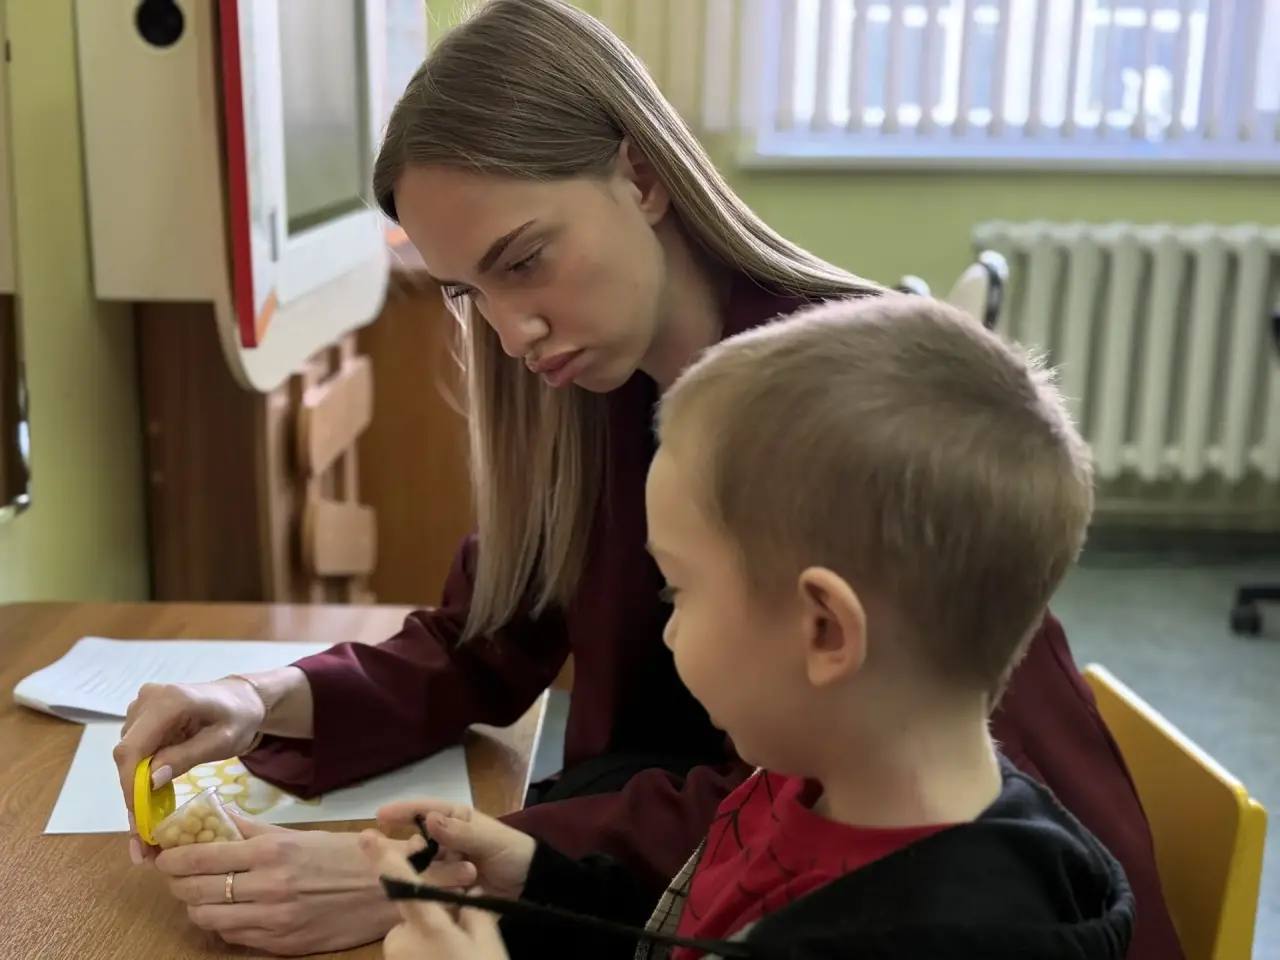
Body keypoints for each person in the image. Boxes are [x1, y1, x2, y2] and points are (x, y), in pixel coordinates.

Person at [112, 1, 1180, 957]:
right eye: (466, 291)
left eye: (522, 261)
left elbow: (840, 797)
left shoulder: (825, 411)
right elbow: (489, 633)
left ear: (641, 174)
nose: (510, 331)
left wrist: (430, 879)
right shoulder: (593, 379)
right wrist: (257, 698)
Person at [358, 296, 1135, 960]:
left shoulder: (936, 934)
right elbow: (703, 924)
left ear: (825, 631)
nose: (667, 631)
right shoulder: (817, 780)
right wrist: (540, 880)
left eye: (678, 589)